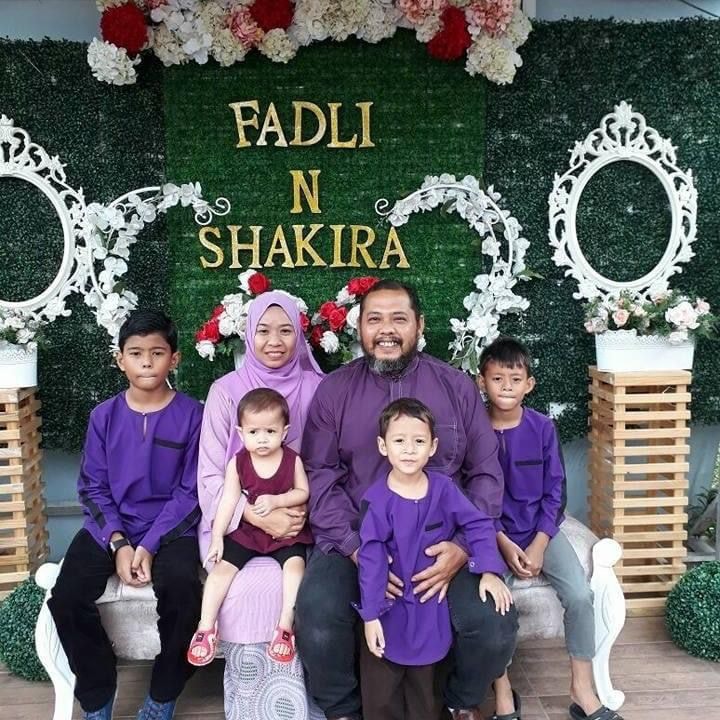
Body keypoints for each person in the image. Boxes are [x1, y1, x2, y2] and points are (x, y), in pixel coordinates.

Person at [297, 279, 518, 720]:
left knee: (494, 626)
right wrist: (358, 550)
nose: (386, 330)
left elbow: (485, 473)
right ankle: (343, 711)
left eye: (399, 319)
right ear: (359, 328)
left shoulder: (455, 387)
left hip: (440, 545)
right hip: (355, 539)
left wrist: (462, 547)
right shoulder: (334, 391)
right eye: (374, 319)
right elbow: (319, 476)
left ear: (420, 325)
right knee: (318, 618)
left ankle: (459, 702)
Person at [48, 310, 204, 720]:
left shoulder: (194, 415)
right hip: (109, 527)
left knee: (183, 590)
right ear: (120, 360)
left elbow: (191, 492)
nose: (147, 362)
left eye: (157, 352)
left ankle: (163, 694)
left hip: (171, 530)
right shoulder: (103, 417)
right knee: (66, 596)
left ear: (175, 358)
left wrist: (148, 546)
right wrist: (119, 543)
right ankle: (98, 695)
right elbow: (93, 487)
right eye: (136, 353)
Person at [478, 337, 623, 720]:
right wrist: (501, 542)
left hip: (541, 530)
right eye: (497, 378)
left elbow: (555, 493)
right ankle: (503, 691)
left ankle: (582, 688)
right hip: (493, 536)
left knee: (579, 595)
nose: (506, 387)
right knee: (491, 609)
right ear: (482, 382)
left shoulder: (542, 428)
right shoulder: (475, 431)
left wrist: (540, 544)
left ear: (529, 384)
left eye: (515, 379)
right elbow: (472, 497)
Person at [197, 290, 324, 719]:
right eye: (263, 330)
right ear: (248, 333)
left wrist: (295, 514)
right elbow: (210, 475)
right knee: (244, 587)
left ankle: (297, 706)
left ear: (299, 336)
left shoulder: (317, 389)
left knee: (299, 583)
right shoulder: (225, 392)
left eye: (286, 330)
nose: (274, 341)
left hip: (299, 524)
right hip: (235, 523)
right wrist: (252, 515)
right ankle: (254, 708)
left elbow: (326, 466)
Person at [356, 398, 512, 720]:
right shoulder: (377, 501)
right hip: (389, 611)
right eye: (399, 441)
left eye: (418, 441)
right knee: (381, 693)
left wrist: (489, 570)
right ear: (383, 446)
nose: (409, 450)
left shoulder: (443, 490)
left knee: (426, 696)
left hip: (430, 609)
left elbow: (478, 523)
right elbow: (370, 560)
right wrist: (370, 616)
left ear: (433, 446)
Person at [188, 388, 312, 666]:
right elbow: (228, 501)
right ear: (241, 433)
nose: (262, 439)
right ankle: (206, 627)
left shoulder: (292, 460)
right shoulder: (238, 463)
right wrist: (217, 537)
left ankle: (285, 626)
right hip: (249, 532)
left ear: (284, 432)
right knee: (220, 572)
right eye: (254, 432)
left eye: (270, 431)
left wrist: (277, 500)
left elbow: (303, 491)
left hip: (284, 533)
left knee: (295, 569)